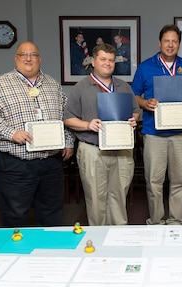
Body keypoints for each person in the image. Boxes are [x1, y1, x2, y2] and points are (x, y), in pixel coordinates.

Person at [0, 41, 74, 227]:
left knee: (51, 211)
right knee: (15, 213)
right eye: (24, 55)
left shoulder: (53, 85)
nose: (29, 58)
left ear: (39, 59)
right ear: (16, 58)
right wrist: (10, 133)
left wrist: (68, 141)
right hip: (16, 164)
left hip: (51, 163)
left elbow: (66, 115)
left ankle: (48, 252)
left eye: (33, 54)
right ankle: (17, 253)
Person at [64, 43, 140, 226]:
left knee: (119, 196)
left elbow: (136, 111)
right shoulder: (81, 87)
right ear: (93, 61)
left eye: (111, 60)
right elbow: (67, 119)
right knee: (96, 199)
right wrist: (87, 124)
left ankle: (119, 238)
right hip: (92, 150)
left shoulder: (123, 86)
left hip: (121, 150)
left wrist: (133, 120)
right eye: (103, 59)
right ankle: (97, 240)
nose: (108, 63)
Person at [131, 24, 182, 225]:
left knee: (179, 180)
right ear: (160, 42)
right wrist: (145, 103)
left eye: (174, 41)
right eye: (166, 41)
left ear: (179, 44)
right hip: (153, 132)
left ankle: (176, 221)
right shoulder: (145, 67)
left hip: (181, 132)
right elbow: (134, 95)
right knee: (154, 181)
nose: (170, 45)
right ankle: (157, 220)